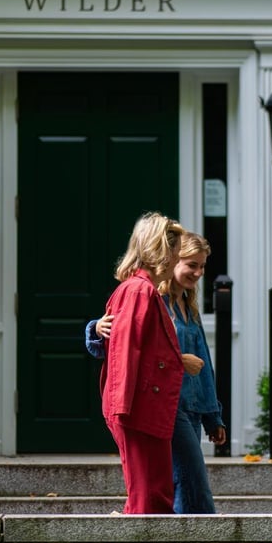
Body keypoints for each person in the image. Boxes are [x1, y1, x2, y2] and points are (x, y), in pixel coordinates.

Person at [87, 231, 227, 514]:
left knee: (181, 484)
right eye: (191, 264)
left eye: (202, 266)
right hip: (166, 405)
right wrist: (94, 329)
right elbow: (126, 346)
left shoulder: (190, 308)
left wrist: (214, 416)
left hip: (193, 408)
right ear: (173, 260)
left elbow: (204, 367)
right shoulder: (150, 298)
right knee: (193, 484)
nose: (198, 273)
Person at [98, 212, 185, 514]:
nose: (178, 259)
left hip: (144, 409)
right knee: (149, 499)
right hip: (138, 410)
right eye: (176, 251)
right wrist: (123, 408)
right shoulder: (139, 290)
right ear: (162, 249)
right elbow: (126, 349)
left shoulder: (144, 290)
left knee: (155, 495)